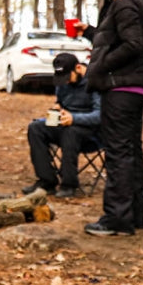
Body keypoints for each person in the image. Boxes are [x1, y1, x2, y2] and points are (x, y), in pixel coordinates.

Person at [74, 0, 143, 236]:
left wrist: (101, 66)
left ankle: (117, 219)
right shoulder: (134, 0)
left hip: (120, 88)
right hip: (133, 88)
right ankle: (135, 215)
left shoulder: (126, 1)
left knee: (118, 153)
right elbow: (119, 38)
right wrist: (89, 32)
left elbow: (132, 45)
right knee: (131, 150)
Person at [22, 53, 101, 198]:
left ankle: (69, 184)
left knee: (71, 132)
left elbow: (100, 115)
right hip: (65, 124)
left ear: (78, 68)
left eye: (68, 77)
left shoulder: (95, 81)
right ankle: (47, 181)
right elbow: (61, 102)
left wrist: (74, 118)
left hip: (91, 132)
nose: (66, 82)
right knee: (35, 128)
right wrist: (57, 108)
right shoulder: (63, 83)